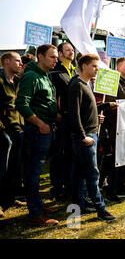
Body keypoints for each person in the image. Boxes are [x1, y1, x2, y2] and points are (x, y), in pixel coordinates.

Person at [68, 54, 116, 222]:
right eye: (94, 66)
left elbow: (87, 108)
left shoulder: (86, 84)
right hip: (85, 136)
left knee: (79, 174)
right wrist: (83, 136)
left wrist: (103, 106)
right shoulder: (76, 85)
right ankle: (101, 209)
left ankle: (79, 206)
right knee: (92, 174)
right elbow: (74, 114)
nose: (97, 69)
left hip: (90, 134)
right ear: (83, 66)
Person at [16, 44, 59, 226]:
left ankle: (38, 206)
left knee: (38, 172)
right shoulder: (31, 76)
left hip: (47, 128)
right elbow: (21, 104)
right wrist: (40, 124)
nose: (56, 60)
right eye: (52, 57)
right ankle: (35, 213)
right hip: (36, 131)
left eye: (56, 57)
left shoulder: (45, 76)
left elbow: (44, 101)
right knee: (33, 172)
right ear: (40, 56)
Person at [103, 57, 125, 201]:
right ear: (118, 67)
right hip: (115, 126)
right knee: (115, 158)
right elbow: (108, 104)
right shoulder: (113, 82)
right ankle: (113, 189)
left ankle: (121, 186)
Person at [48, 42, 76, 199]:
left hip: (73, 119)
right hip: (61, 119)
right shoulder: (55, 72)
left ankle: (68, 184)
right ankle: (57, 187)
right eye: (67, 50)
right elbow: (52, 95)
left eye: (72, 49)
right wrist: (56, 114)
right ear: (60, 54)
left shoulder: (74, 71)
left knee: (71, 154)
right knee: (59, 154)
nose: (71, 52)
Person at [0, 52, 25, 218]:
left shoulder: (16, 82)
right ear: (6, 61)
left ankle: (8, 199)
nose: (20, 64)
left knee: (12, 170)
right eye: (17, 61)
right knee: (1, 169)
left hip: (18, 130)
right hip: (3, 133)